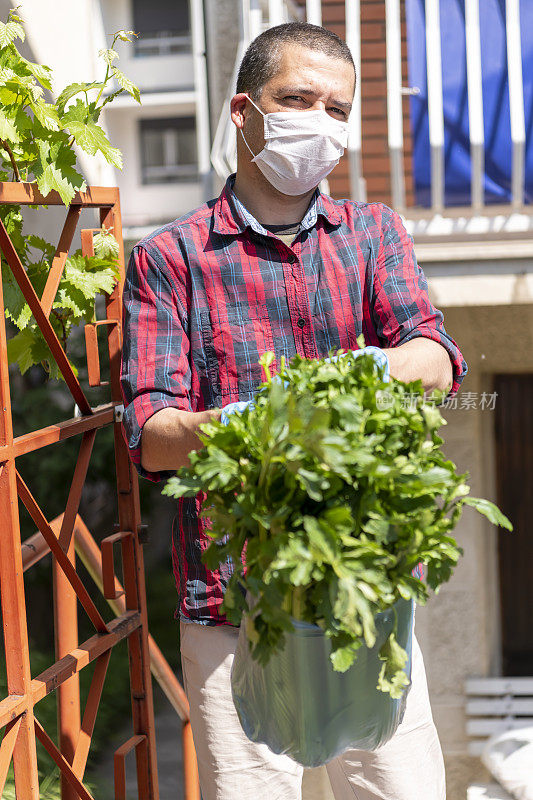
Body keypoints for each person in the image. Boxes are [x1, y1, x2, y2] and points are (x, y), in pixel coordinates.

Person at [120, 22, 467, 800]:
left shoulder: (372, 233)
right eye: (296, 99)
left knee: (399, 788)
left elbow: (437, 361)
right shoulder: (169, 260)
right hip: (233, 604)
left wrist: (365, 372)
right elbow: (150, 434)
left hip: (365, 594)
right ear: (243, 110)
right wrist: (267, 421)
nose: (319, 120)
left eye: (335, 108)